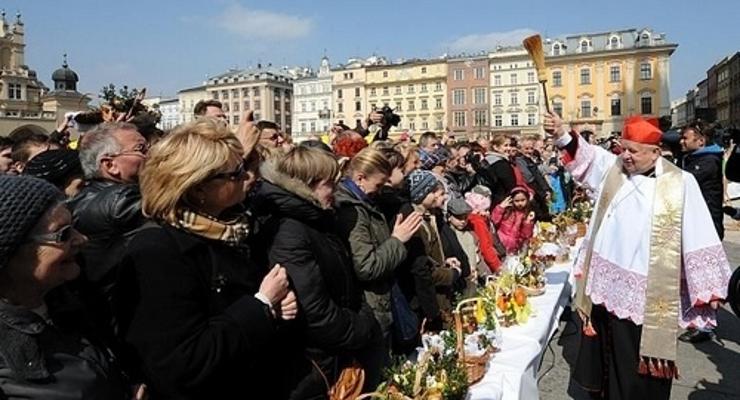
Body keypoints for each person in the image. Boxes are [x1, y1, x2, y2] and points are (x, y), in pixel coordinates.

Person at [544, 112, 732, 400]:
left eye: (634, 151)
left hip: (645, 293)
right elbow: (587, 156)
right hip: (605, 286)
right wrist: (561, 133)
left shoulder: (680, 183)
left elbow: (698, 230)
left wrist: (707, 286)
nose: (626, 156)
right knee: (606, 355)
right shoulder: (615, 169)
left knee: (634, 363)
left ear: (656, 152)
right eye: (623, 148)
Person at [114, 118, 296, 399]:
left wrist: (274, 313)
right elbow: (183, 362)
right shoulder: (156, 251)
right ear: (198, 188)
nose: (247, 177)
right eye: (235, 173)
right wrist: (261, 305)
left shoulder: (229, 229)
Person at [251, 146, 383, 397]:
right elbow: (316, 313)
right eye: (328, 184)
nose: (335, 190)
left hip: (335, 355)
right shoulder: (290, 232)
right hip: (315, 367)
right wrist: (364, 327)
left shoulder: (317, 220)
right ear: (307, 185)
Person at [0, 175, 129, 399]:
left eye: (75, 227)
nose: (82, 239)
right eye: (64, 234)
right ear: (10, 254)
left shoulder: (73, 299)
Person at [69, 122, 149, 345]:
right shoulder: (122, 201)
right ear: (110, 165)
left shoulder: (84, 197)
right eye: (141, 149)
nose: (151, 155)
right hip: (125, 331)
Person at [334, 147, 422, 349]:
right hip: (371, 307)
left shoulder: (364, 203)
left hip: (379, 303)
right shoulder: (353, 211)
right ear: (360, 178)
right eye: (379, 184)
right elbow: (366, 266)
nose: (381, 190)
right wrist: (397, 240)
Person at [397, 170, 458, 332]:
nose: (438, 197)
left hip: (440, 290)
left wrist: (444, 262)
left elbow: (432, 254)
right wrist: (451, 275)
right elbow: (423, 266)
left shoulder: (429, 216)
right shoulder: (416, 222)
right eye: (432, 192)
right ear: (420, 194)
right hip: (431, 294)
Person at [448, 197, 490, 285]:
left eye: (465, 217)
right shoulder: (448, 236)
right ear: (449, 217)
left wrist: (485, 274)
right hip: (459, 279)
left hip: (473, 277)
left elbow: (478, 257)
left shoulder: (471, 235)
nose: (463, 221)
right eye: (459, 218)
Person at [464, 185, 503, 273]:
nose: (487, 212)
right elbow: (485, 247)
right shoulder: (478, 221)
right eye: (485, 209)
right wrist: (498, 267)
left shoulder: (480, 219)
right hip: (486, 264)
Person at [491, 187, 536, 255]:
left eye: (523, 200)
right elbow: (494, 221)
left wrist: (528, 222)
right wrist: (500, 208)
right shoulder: (507, 210)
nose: (520, 203)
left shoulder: (526, 214)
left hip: (512, 248)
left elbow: (525, 235)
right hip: (498, 243)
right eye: (517, 201)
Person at [478, 135, 517, 206]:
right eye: (505, 145)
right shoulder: (501, 164)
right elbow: (510, 185)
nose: (509, 148)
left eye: (510, 145)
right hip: (503, 201)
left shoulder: (487, 160)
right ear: (496, 147)